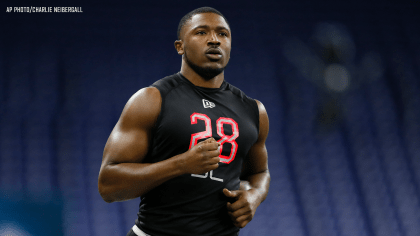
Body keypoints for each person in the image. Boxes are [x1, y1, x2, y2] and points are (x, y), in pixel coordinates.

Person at [98, 6, 270, 236]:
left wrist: (254, 196)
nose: (214, 40)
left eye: (222, 34)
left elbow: (260, 173)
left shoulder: (254, 110)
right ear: (180, 46)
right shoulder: (152, 99)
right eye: (201, 32)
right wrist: (181, 164)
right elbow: (109, 185)